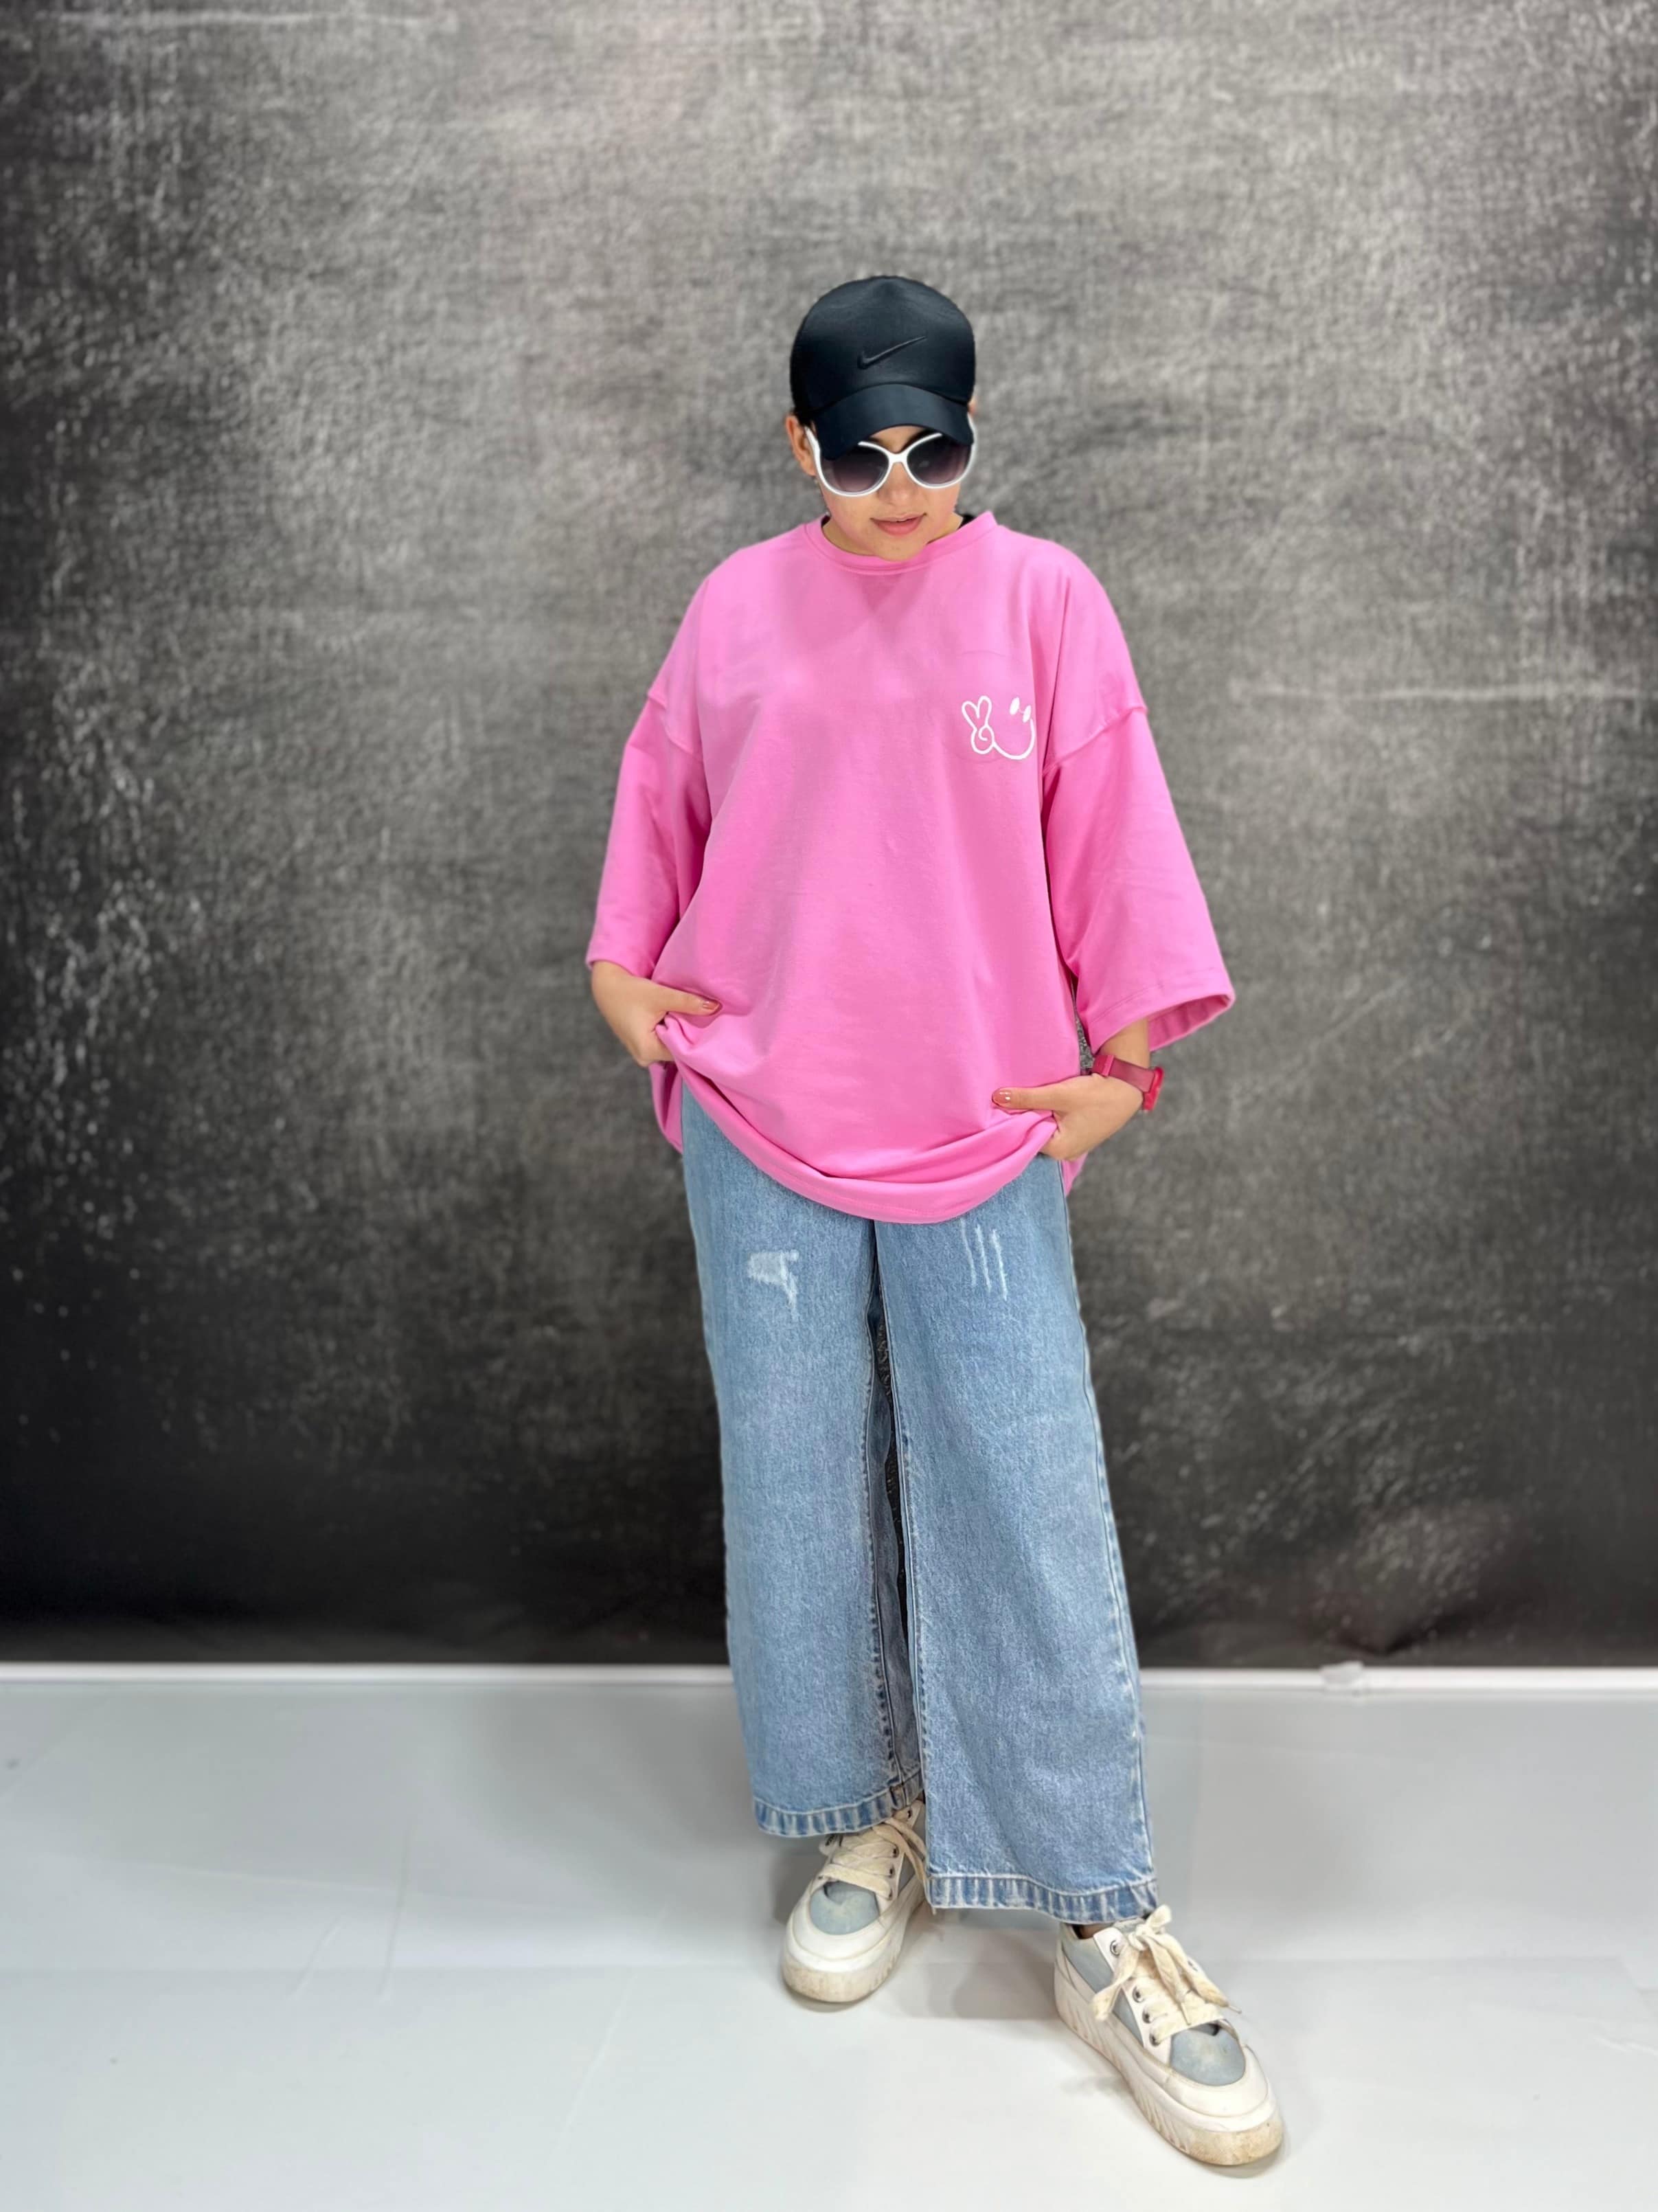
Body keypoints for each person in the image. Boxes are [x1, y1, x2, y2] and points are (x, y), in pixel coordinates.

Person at [585, 273, 1283, 2168]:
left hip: (983, 1123)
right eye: (861, 455)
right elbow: (664, 794)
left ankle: (1096, 1902)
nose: (901, 490)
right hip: (764, 1113)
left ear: (977, 437)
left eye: (937, 449)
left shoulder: (1044, 603)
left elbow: (1113, 828)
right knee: (801, 1477)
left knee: (1020, 1476)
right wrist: (622, 967)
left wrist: (1127, 1059)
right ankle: (873, 1811)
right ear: (798, 443)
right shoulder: (736, 610)